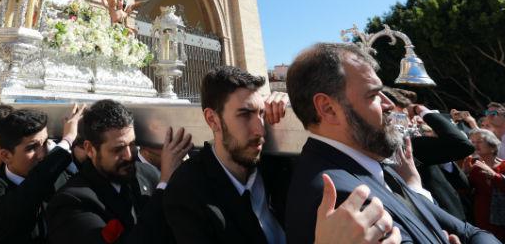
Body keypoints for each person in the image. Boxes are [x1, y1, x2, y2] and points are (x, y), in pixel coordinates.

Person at [284, 43, 499, 244]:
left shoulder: (374, 168)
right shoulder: (344, 200)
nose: (389, 104)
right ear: (329, 109)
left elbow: (471, 232)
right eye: (373, 95)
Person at [165, 65, 402, 244]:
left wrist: (292, 113)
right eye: (245, 114)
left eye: (260, 114)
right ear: (212, 119)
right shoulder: (188, 189)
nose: (259, 129)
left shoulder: (279, 164)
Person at [47, 99, 192, 244]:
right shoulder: (72, 202)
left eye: (132, 144)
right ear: (90, 149)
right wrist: (164, 185)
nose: (129, 155)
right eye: (117, 149)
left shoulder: (148, 175)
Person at [0, 104, 84, 244]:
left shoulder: (61, 176)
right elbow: (27, 195)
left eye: (45, 143)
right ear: (6, 156)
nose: (42, 154)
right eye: (31, 148)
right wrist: (67, 141)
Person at [463, 129, 505, 244]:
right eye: (472, 141)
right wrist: (465, 174)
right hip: (484, 219)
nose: (474, 145)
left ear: (493, 146)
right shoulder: (473, 167)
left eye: (479, 141)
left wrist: (494, 176)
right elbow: (465, 193)